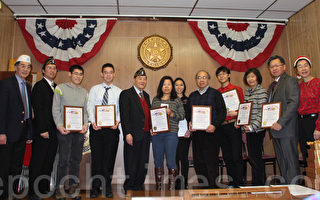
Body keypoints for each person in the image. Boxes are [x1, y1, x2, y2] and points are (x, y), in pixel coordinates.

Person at [52, 65, 88, 200]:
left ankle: (73, 187)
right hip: (64, 131)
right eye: (76, 74)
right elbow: (55, 109)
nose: (78, 76)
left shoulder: (85, 92)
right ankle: (60, 189)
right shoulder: (60, 88)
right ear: (69, 74)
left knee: (76, 160)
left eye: (80, 74)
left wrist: (85, 125)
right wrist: (60, 126)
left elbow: (85, 112)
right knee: (63, 160)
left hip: (79, 132)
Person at [0, 55, 33, 200]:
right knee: (4, 167)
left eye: (28, 67)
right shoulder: (6, 84)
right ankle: (3, 194)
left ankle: (12, 194)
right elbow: (1, 110)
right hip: (7, 134)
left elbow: (28, 112)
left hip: (22, 133)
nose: (25, 69)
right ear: (16, 67)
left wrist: (29, 133)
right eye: (23, 66)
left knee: (16, 167)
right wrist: (1, 132)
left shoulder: (28, 86)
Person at [87, 63, 122, 198]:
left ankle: (107, 187)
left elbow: (120, 109)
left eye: (110, 72)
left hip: (112, 130)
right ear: (101, 74)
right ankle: (95, 188)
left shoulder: (118, 91)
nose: (108, 74)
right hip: (97, 129)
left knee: (109, 160)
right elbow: (90, 106)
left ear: (114, 74)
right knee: (96, 159)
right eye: (105, 72)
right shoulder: (94, 89)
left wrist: (117, 121)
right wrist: (93, 121)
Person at [188, 70, 226, 189]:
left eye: (204, 77)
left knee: (211, 161)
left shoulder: (215, 93)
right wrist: (190, 122)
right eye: (199, 77)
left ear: (208, 79)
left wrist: (214, 125)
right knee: (199, 161)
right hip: (197, 133)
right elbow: (189, 113)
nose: (201, 80)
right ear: (196, 80)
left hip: (211, 133)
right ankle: (203, 185)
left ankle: (212, 187)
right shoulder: (192, 95)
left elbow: (222, 112)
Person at [267, 55, 300, 184]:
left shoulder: (290, 81)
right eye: (271, 67)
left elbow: (293, 103)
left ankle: (295, 192)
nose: (274, 69)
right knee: (282, 162)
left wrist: (281, 122)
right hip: (275, 130)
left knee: (290, 163)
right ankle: (287, 190)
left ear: (284, 67)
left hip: (286, 129)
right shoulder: (272, 85)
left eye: (277, 66)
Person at [28, 57, 58, 200]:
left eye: (54, 69)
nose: (52, 71)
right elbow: (38, 110)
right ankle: (33, 192)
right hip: (43, 131)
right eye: (49, 68)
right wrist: (42, 129)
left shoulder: (56, 87)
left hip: (54, 132)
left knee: (48, 161)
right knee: (38, 161)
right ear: (43, 71)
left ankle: (44, 188)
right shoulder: (39, 86)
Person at [119, 68, 151, 193]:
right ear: (134, 80)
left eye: (144, 79)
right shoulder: (126, 94)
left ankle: (138, 184)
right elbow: (124, 115)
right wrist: (127, 133)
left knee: (143, 161)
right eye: (140, 78)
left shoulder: (147, 96)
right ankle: (129, 186)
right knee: (131, 161)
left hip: (146, 134)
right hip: (132, 134)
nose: (142, 81)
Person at [151, 76, 185, 190]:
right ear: (161, 86)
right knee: (158, 161)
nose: (166, 87)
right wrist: (152, 128)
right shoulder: (156, 100)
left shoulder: (177, 100)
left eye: (169, 84)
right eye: (164, 84)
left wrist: (171, 114)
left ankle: (171, 189)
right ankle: (159, 188)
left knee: (171, 161)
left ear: (172, 87)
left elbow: (182, 116)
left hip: (171, 134)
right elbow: (152, 116)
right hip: (157, 135)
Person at [216, 66, 244, 187]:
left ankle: (239, 182)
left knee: (236, 155)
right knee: (227, 156)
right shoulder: (216, 92)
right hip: (221, 127)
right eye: (219, 74)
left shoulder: (237, 89)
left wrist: (238, 116)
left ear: (228, 75)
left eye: (223, 74)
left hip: (234, 125)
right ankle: (232, 182)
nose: (221, 76)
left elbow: (243, 108)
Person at [239, 68, 268, 186]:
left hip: (257, 129)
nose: (250, 79)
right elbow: (245, 110)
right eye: (248, 77)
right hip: (249, 129)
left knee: (256, 157)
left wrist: (252, 126)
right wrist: (241, 123)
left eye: (252, 76)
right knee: (253, 157)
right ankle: (258, 183)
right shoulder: (248, 91)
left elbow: (263, 111)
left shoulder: (261, 91)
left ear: (257, 77)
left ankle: (260, 183)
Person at [294, 56, 320, 164]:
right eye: (300, 67)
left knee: (317, 157)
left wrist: (318, 128)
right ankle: (311, 181)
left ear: (310, 67)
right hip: (301, 123)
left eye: (305, 65)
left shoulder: (318, 83)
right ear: (297, 71)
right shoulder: (297, 87)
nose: (303, 69)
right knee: (307, 156)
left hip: (315, 122)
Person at [174, 77, 191, 189]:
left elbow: (191, 116)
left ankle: (184, 183)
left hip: (185, 133)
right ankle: (176, 183)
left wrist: (189, 130)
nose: (179, 87)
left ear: (184, 87)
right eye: (176, 85)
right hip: (173, 133)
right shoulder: (170, 99)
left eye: (181, 85)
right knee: (174, 159)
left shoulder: (189, 100)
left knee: (183, 159)